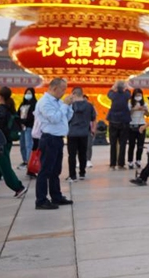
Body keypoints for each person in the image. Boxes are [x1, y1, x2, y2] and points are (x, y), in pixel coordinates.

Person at [34, 78, 74, 210]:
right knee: (45, 170)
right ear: (54, 88)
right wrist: (64, 106)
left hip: (57, 139)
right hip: (49, 139)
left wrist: (68, 106)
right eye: (63, 89)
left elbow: (65, 118)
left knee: (55, 170)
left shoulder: (57, 102)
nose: (64, 92)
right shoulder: (45, 102)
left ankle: (56, 196)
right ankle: (41, 200)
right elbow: (54, 118)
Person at [0, 86, 27, 198]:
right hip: (7, 141)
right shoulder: (9, 108)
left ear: (1, 97)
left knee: (4, 166)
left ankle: (18, 187)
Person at [67, 87, 96, 181]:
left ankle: (73, 175)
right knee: (82, 153)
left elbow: (67, 118)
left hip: (72, 133)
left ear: (74, 94)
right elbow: (93, 118)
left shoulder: (70, 105)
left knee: (72, 155)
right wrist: (92, 129)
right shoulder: (89, 106)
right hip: (84, 133)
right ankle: (82, 173)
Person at [107, 80, 131, 170]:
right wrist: (126, 86)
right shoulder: (126, 95)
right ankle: (121, 164)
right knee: (123, 143)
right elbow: (129, 91)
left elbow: (109, 93)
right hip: (124, 121)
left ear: (116, 87)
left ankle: (112, 164)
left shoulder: (113, 95)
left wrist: (113, 87)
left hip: (113, 121)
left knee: (113, 144)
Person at [127, 87, 149, 169]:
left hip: (141, 125)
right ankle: (130, 161)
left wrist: (145, 110)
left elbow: (148, 114)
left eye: (139, 95)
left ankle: (138, 160)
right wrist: (134, 109)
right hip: (132, 125)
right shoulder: (130, 103)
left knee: (140, 144)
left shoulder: (144, 103)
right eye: (136, 95)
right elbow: (128, 113)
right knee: (131, 145)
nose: (138, 97)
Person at [16, 87, 37, 169]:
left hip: (29, 127)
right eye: (26, 93)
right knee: (22, 145)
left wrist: (25, 123)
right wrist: (20, 123)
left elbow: (32, 116)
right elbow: (18, 114)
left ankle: (29, 161)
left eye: (29, 93)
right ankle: (25, 161)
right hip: (21, 127)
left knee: (29, 145)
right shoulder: (22, 104)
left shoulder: (35, 104)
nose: (28, 95)